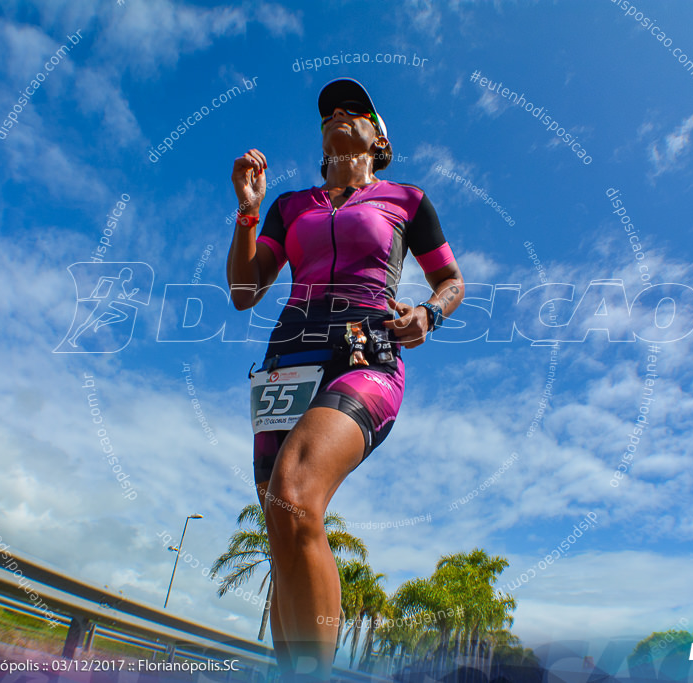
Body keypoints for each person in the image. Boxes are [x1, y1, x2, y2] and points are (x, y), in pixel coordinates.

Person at [226, 78, 464, 681]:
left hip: (365, 356)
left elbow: (451, 281)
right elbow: (243, 292)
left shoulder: (407, 200)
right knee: (281, 525)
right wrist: (248, 211)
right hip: (287, 362)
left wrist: (429, 314)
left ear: (378, 136)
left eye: (354, 109)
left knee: (296, 492)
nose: (338, 113)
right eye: (329, 110)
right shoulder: (289, 206)